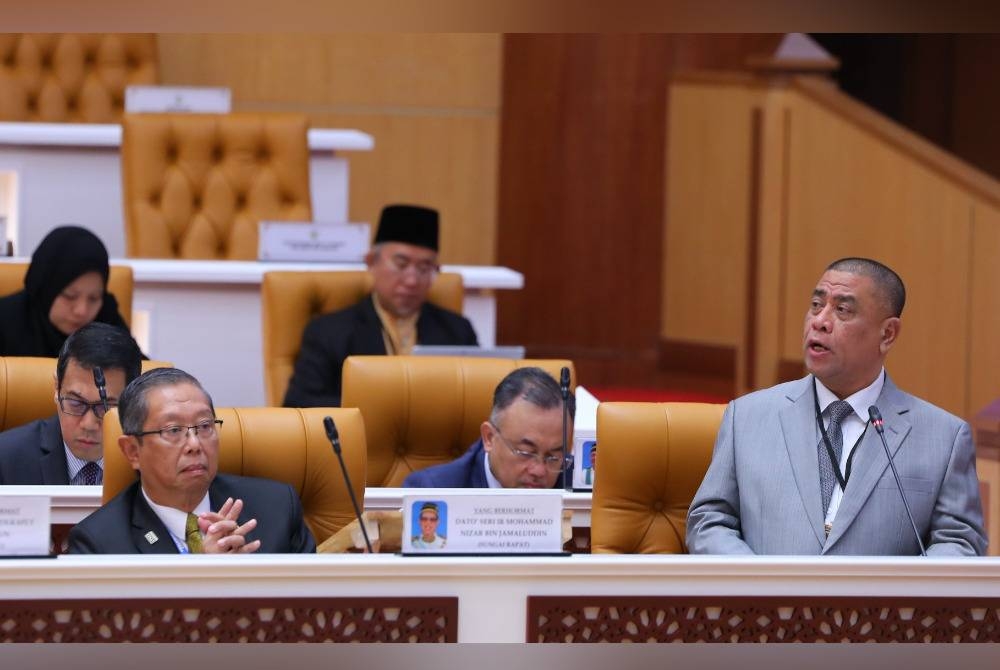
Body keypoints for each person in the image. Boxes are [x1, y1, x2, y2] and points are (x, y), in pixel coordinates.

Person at [687, 257, 987, 556]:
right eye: (817, 305)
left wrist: (899, 593)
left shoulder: (944, 438)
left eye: (842, 310)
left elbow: (959, 542)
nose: (820, 321)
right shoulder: (748, 417)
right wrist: (759, 582)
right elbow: (709, 521)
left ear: (887, 334)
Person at [67, 368, 316, 554]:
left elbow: (311, 611)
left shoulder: (277, 509)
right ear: (132, 451)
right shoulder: (98, 543)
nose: (195, 445)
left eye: (205, 426)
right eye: (173, 430)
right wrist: (201, 575)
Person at [282, 204, 478, 408]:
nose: (411, 280)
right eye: (401, 265)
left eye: (424, 268)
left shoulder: (458, 331)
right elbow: (298, 404)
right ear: (371, 262)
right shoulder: (329, 332)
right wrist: (380, 408)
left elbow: (483, 402)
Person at [0, 322, 142, 485]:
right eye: (75, 403)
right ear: (57, 388)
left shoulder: (153, 461)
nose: (88, 425)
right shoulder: (6, 460)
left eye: (106, 407)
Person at [403, 367, 574, 489]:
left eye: (553, 457)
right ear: (489, 437)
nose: (539, 471)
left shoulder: (581, 489)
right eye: (526, 452)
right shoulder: (433, 491)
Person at [0, 226, 134, 357]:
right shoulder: (5, 321)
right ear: (45, 290)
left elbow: (143, 372)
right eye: (70, 296)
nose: (82, 311)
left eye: (94, 298)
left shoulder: (107, 321)